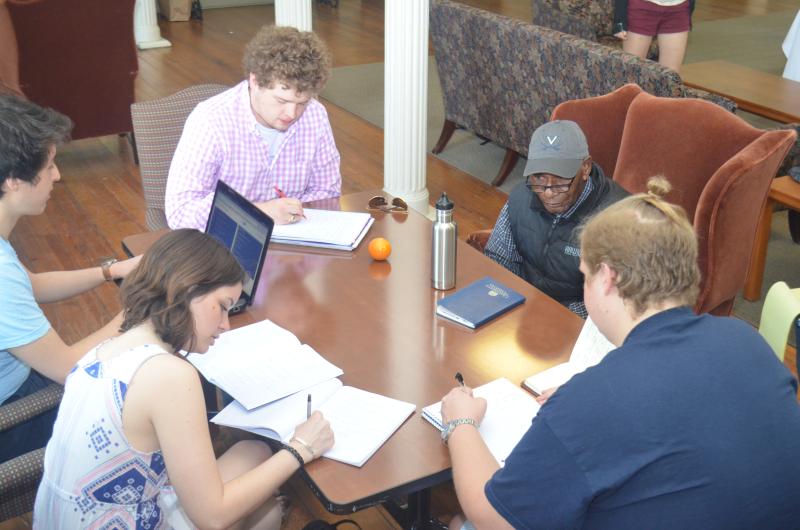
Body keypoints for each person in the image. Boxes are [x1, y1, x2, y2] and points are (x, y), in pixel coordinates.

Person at [440, 177, 800, 530]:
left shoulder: (595, 397)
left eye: (584, 275)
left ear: (607, 278)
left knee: (463, 522)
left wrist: (461, 422)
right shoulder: (747, 341)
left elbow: (493, 516)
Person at [34, 229, 334, 529]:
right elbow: (213, 517)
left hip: (68, 516)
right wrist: (301, 448)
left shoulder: (109, 347)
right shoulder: (170, 376)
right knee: (262, 508)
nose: (225, 325)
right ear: (188, 290)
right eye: (223, 306)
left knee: (253, 454)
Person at [0, 94, 140, 463]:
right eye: (49, 167)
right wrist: (139, 311)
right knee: (143, 404)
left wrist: (110, 271)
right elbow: (68, 369)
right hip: (11, 417)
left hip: (16, 383)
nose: (57, 176)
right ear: (14, 181)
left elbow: (29, 285)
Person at [165, 24, 341, 230]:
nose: (292, 114)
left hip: (294, 242)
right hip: (223, 245)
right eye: (281, 101)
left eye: (301, 103)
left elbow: (326, 193)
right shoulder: (210, 121)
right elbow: (181, 212)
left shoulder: (315, 115)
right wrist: (260, 212)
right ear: (255, 81)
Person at [484, 120, 627, 317]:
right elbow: (498, 259)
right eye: (539, 177)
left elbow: (616, 300)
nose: (549, 192)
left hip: (579, 324)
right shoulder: (520, 198)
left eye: (561, 179)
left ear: (585, 168)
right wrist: (512, 303)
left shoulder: (619, 221)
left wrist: (553, 317)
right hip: (522, 311)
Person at [613, 0, 694, 73]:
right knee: (633, 71)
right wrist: (620, 20)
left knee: (670, 75)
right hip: (642, 8)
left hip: (678, 9)